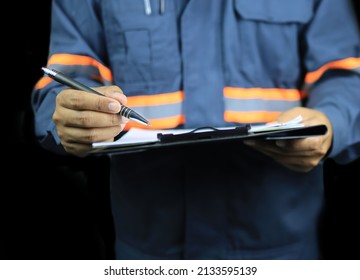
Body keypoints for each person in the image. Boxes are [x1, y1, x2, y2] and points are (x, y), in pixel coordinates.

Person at [31, 0, 360, 259]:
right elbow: (62, 84)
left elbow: (344, 75)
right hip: (149, 255)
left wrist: (331, 122)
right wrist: (71, 113)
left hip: (280, 252)